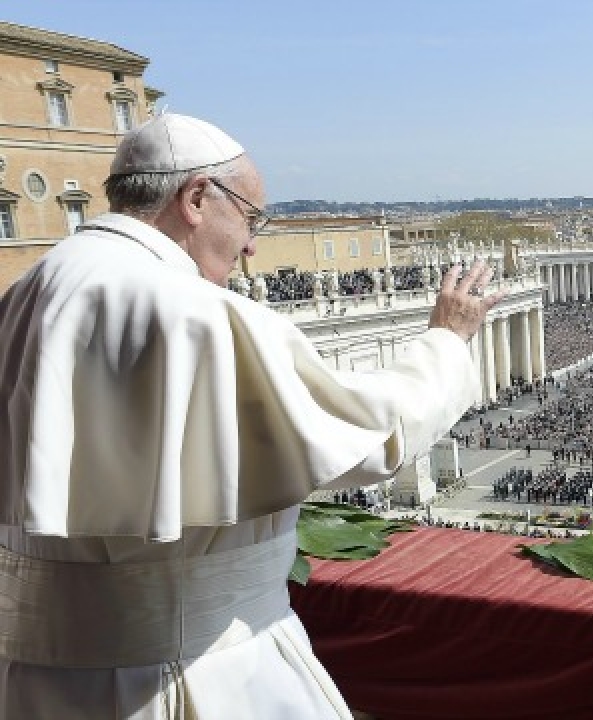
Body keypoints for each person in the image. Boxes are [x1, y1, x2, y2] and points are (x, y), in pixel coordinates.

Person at [0, 114, 503, 718]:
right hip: (198, 673)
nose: (252, 245)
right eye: (249, 217)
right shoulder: (201, 315)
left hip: (34, 682)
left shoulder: (26, 294)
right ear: (195, 199)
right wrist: (446, 342)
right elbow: (369, 437)